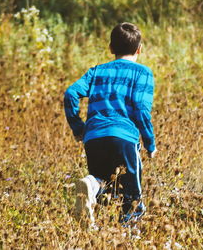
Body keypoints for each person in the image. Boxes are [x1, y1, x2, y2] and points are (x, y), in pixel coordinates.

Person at [64, 22, 156, 227]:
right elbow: (141, 108)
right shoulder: (143, 73)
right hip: (124, 137)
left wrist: (79, 128)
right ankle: (129, 237)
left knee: (103, 182)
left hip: (94, 137)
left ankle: (91, 184)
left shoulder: (97, 71)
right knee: (131, 197)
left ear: (111, 48)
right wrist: (150, 143)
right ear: (139, 48)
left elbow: (70, 93)